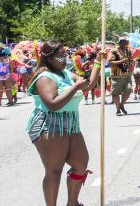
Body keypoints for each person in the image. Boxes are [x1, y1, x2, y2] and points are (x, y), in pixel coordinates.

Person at [27, 41, 104, 206]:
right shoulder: (44, 77)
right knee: (54, 171)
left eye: (66, 55)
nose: (65, 59)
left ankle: (72, 203)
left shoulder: (66, 74)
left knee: (80, 162)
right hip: (49, 125)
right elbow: (52, 104)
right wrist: (75, 87)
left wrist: (98, 62)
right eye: (60, 56)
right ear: (49, 58)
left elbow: (88, 85)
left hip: (71, 124)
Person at [109, 37, 134, 116]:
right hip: (117, 74)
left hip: (127, 73)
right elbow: (110, 62)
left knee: (129, 90)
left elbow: (130, 60)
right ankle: (118, 110)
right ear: (119, 42)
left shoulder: (128, 50)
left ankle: (121, 104)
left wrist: (131, 61)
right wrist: (122, 61)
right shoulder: (114, 51)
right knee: (115, 92)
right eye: (123, 41)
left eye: (125, 42)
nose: (124, 43)